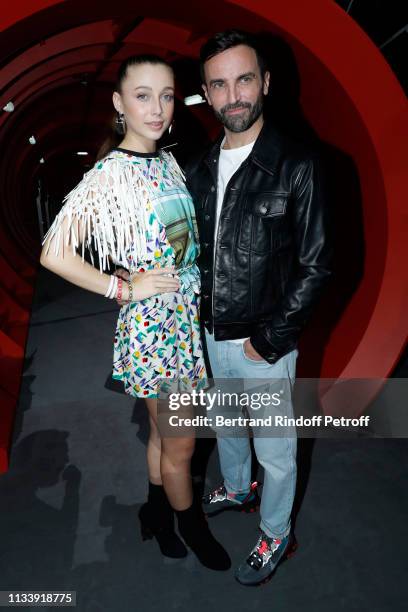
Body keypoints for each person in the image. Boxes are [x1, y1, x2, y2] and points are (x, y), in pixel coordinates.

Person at [40, 54, 230, 572]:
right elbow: (54, 252)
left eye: (167, 95)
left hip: (181, 320)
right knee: (183, 446)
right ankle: (190, 525)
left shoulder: (165, 160)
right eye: (143, 96)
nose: (158, 107)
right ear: (120, 104)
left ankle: (154, 511)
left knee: (163, 436)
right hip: (157, 329)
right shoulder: (110, 176)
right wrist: (122, 289)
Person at [184, 30, 332, 585]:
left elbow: (317, 267)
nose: (234, 95)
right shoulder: (198, 169)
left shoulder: (297, 165)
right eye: (219, 85)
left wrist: (270, 340)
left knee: (277, 451)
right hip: (209, 334)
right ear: (206, 93)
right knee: (225, 428)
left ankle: (276, 533)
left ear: (265, 83)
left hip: (264, 342)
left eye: (244, 79)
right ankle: (237, 488)